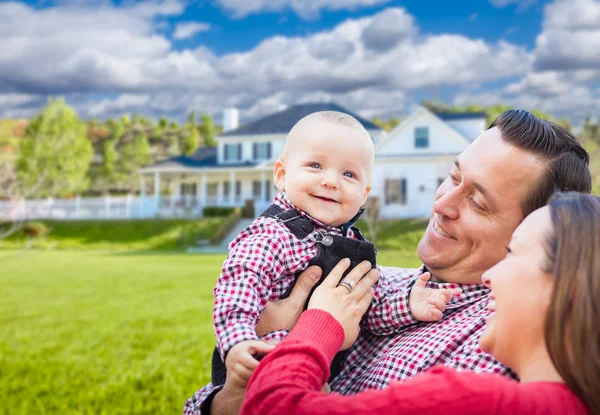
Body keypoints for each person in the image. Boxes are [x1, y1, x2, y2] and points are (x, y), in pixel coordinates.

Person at [184, 110, 592, 415]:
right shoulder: (380, 282)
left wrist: (313, 326)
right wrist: (227, 395)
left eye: (478, 202)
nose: (441, 202)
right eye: (453, 177)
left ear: (540, 228)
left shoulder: (496, 349)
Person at [241, 192, 600, 415]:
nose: (491, 276)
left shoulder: (481, 401)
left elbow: (269, 408)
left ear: (569, 286)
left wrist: (319, 323)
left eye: (513, 253)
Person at [208, 111, 457, 390]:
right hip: (259, 362)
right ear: (281, 174)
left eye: (348, 174)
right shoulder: (273, 235)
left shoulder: (353, 245)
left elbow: (365, 311)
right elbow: (238, 289)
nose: (330, 181)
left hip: (317, 374)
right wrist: (237, 342)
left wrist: (408, 305)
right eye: (315, 165)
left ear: (364, 193)